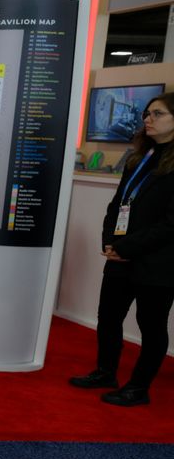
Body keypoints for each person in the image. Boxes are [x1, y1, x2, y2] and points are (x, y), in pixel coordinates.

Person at [70, 92, 174, 406]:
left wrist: (127, 246)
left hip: (157, 261)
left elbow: (171, 225)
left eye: (157, 113)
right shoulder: (140, 156)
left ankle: (138, 388)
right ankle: (106, 371)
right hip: (120, 254)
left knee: (151, 326)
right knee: (108, 316)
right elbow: (118, 203)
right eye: (147, 113)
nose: (148, 119)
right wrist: (109, 240)